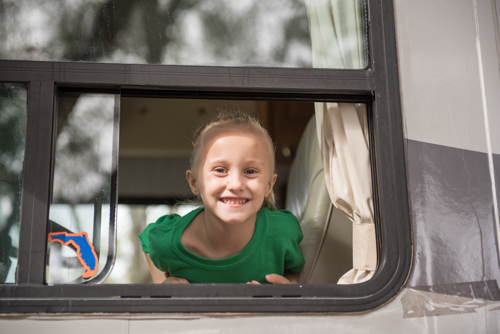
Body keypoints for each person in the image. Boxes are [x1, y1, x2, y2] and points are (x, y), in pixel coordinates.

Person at [139, 111, 305, 284]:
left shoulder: (283, 232)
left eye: (250, 171)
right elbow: (148, 240)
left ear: (269, 186)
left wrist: (289, 289)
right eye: (220, 170)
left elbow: (294, 272)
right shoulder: (170, 241)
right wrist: (162, 286)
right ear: (194, 182)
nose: (235, 184)